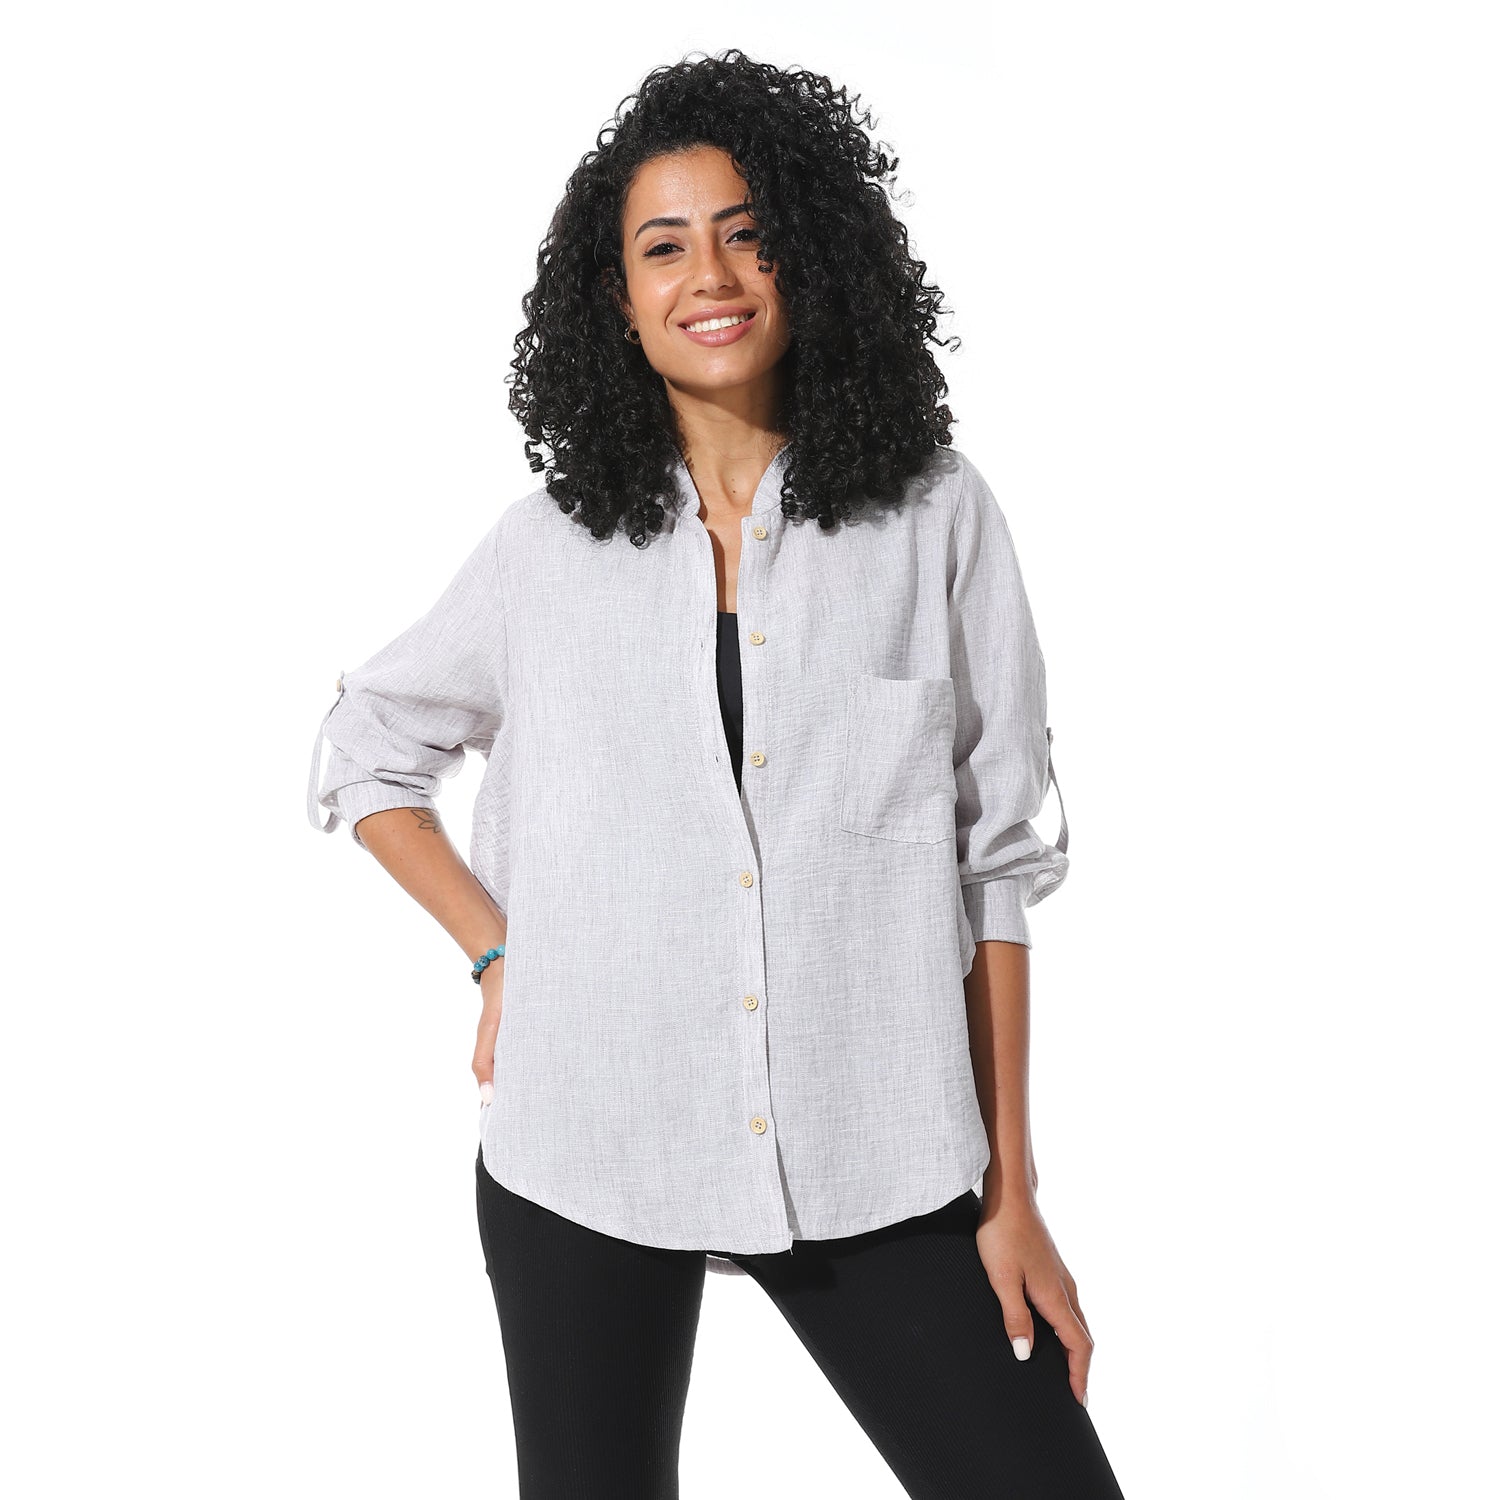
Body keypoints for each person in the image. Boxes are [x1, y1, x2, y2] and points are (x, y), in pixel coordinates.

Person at [307, 49, 1127, 1500]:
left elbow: (994, 860)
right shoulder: (550, 548)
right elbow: (366, 743)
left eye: (747, 233)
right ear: (617, 299)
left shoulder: (933, 513)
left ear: (809, 254)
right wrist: (497, 952)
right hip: (587, 1142)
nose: (712, 277)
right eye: (664, 247)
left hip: (877, 1147)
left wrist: (1012, 1190)